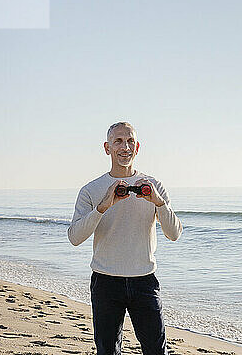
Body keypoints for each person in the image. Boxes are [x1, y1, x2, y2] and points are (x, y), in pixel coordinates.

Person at [68, 121, 182, 355]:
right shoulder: (91, 190)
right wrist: (102, 207)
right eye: (118, 141)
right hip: (106, 281)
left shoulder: (154, 186)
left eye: (130, 141)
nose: (125, 147)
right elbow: (75, 237)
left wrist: (158, 203)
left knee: (156, 351)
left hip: (144, 281)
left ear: (138, 147)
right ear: (107, 147)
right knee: (107, 351)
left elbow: (174, 234)